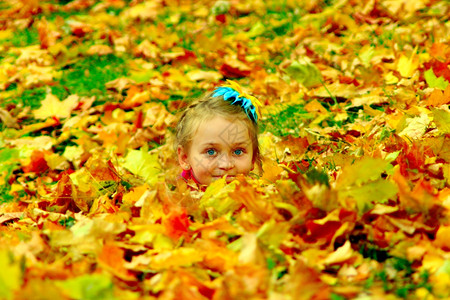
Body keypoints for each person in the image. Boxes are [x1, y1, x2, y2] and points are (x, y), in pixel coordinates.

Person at [175, 80, 262, 188]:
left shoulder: (257, 195)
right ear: (185, 158)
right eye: (211, 152)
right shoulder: (176, 199)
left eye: (238, 151)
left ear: (253, 158)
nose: (226, 164)